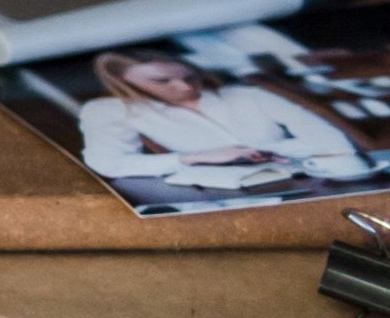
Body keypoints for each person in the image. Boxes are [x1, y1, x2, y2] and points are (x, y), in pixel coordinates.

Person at [66, 46, 376, 205]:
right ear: (124, 82)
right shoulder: (110, 111)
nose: (184, 86)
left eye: (189, 76)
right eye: (162, 81)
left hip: (309, 182)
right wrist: (195, 157)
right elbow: (106, 162)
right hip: (226, 194)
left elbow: (331, 138)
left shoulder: (246, 95)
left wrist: (267, 150)